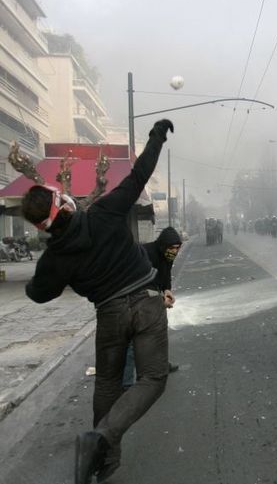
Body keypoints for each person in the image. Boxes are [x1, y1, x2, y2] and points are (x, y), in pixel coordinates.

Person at [21, 119, 174, 483]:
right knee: (152, 377)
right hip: (146, 301)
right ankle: (103, 438)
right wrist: (156, 136)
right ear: (64, 202)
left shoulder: (55, 258)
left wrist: (48, 262)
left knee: (107, 384)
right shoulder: (103, 213)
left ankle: (102, 460)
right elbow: (139, 175)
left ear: (40, 226)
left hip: (108, 314)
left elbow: (38, 294)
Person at [122, 227, 182, 389]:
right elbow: (141, 282)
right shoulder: (146, 253)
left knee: (158, 334)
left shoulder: (167, 254)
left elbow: (166, 273)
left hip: (153, 297)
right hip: (133, 297)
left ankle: (161, 365)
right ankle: (127, 382)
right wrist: (159, 299)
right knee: (134, 340)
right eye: (172, 248)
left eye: (177, 248)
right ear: (163, 245)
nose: (174, 252)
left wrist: (167, 289)